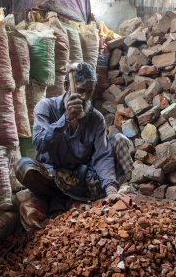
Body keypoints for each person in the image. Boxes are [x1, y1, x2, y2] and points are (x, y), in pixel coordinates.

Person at [14, 61, 134, 217]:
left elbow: (102, 156)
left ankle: (83, 197)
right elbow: (39, 144)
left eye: (89, 92)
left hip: (83, 178)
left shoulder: (95, 118)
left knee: (119, 141)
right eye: (80, 91)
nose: (84, 97)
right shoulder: (46, 107)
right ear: (66, 86)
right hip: (53, 176)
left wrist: (111, 190)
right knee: (22, 166)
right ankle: (60, 197)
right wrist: (66, 119)